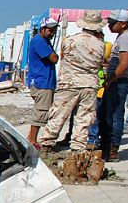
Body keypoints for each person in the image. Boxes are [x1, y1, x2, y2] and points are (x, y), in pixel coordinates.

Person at [38, 10, 106, 153]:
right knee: (84, 117)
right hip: (89, 84)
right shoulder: (101, 44)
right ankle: (78, 148)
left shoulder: (69, 40)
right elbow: (99, 63)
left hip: (69, 82)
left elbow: (63, 58)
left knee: (59, 114)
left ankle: (47, 143)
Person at [88, 10, 128, 161]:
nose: (109, 25)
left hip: (120, 81)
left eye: (112, 23)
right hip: (116, 80)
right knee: (106, 113)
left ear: (123, 23)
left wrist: (110, 80)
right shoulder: (123, 37)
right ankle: (106, 146)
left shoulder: (127, 38)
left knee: (115, 114)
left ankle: (112, 149)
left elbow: (123, 64)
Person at [26, 18, 60, 146]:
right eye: (50, 30)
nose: (52, 33)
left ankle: (30, 139)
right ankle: (33, 141)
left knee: (42, 111)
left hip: (45, 81)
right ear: (42, 29)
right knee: (41, 112)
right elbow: (54, 58)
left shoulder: (44, 41)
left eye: (54, 31)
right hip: (42, 82)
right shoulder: (39, 42)